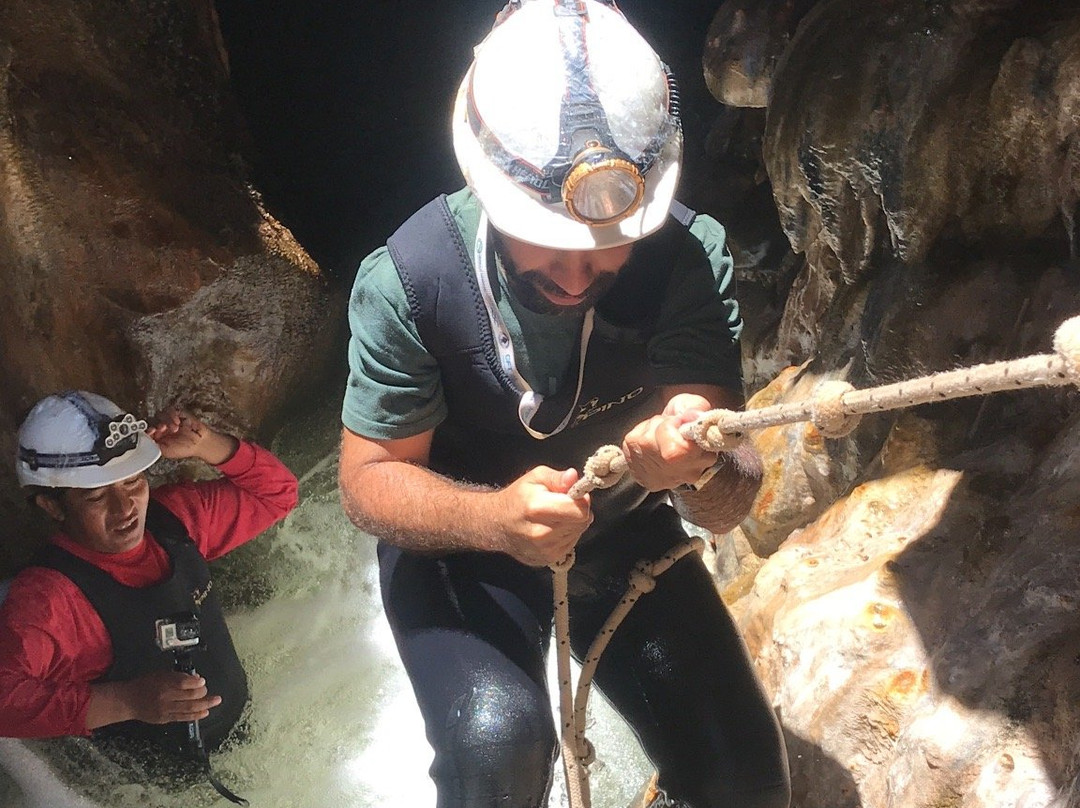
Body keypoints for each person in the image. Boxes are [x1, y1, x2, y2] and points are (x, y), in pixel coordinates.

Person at [337, 1, 790, 806]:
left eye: (610, 243)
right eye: (546, 237)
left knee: (743, 776)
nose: (579, 275)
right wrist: (493, 522)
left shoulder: (688, 261)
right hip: (459, 545)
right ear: (486, 182)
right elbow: (369, 480)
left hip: (619, 525)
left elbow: (730, 497)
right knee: (495, 745)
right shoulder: (409, 284)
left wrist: (695, 465)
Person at [0, 390, 298, 763]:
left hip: (250, 743)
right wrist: (125, 701)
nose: (125, 508)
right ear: (52, 506)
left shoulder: (174, 521)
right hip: (149, 789)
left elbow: (278, 494)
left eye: (133, 482)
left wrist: (206, 445)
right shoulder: (50, 598)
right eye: (96, 497)